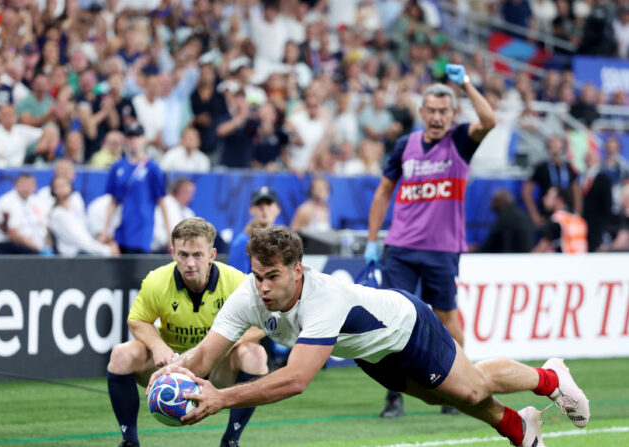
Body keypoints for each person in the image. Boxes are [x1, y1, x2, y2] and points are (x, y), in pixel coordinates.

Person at [149, 226, 590, 447]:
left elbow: (295, 379)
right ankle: (523, 426)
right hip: (373, 353)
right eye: (257, 275)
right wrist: (176, 370)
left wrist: (221, 399)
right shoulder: (248, 293)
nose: (263, 287)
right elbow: (204, 355)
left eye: (273, 276)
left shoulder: (322, 300)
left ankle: (549, 379)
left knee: (471, 386)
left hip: (406, 327)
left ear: (297, 270)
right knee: (443, 397)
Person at [364, 66, 496, 418]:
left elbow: (490, 119)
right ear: (421, 113)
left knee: (447, 320)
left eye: (444, 111)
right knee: (391, 322)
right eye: (431, 111)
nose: (437, 117)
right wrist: (373, 240)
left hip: (442, 248)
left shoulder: (461, 141)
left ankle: (466, 387)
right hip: (402, 247)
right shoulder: (404, 145)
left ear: (453, 115)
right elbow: (383, 193)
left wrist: (465, 82)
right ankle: (394, 396)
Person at [107, 217, 267, 447]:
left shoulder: (236, 281)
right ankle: (129, 440)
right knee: (121, 354)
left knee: (256, 355)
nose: (190, 263)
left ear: (212, 255)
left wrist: (224, 343)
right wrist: (157, 345)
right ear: (173, 253)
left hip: (217, 366)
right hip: (170, 363)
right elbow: (138, 321)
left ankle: (231, 440)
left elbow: (260, 323)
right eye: (183, 255)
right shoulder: (157, 281)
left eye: (197, 255)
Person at [99, 123, 170, 254]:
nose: (133, 140)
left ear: (143, 139)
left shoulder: (152, 168)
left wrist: (169, 233)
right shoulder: (118, 166)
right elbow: (113, 201)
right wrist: (106, 229)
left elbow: (162, 201)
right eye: (130, 137)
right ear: (126, 140)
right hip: (121, 226)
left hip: (142, 228)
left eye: (137, 136)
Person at [47, 175, 117, 257]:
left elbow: (85, 238)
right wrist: (107, 251)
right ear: (54, 191)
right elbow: (80, 241)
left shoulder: (73, 210)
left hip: (83, 251)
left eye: (64, 185)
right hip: (74, 256)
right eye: (58, 186)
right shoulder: (58, 214)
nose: (62, 188)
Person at [522, 135, 582, 227]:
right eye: (552, 145)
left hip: (567, 213)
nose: (555, 148)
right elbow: (526, 191)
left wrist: (577, 212)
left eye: (558, 145)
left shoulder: (568, 167)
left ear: (562, 148)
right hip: (547, 214)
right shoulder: (542, 167)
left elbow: (576, 191)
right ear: (548, 148)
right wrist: (534, 214)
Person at [228, 186, 282, 274]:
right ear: (251, 210)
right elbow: (238, 279)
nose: (264, 209)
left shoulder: (283, 241)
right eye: (259, 204)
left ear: (278, 209)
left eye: (268, 204)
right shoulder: (242, 242)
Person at [476, 189, 534, 253]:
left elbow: (493, 241)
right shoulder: (520, 213)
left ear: (502, 201)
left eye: (494, 201)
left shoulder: (506, 216)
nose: (491, 205)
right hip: (523, 254)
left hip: (514, 257)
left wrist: (477, 250)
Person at [533, 186, 588, 254]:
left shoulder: (555, 221)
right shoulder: (578, 220)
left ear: (559, 200)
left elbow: (541, 248)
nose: (544, 198)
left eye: (549, 195)